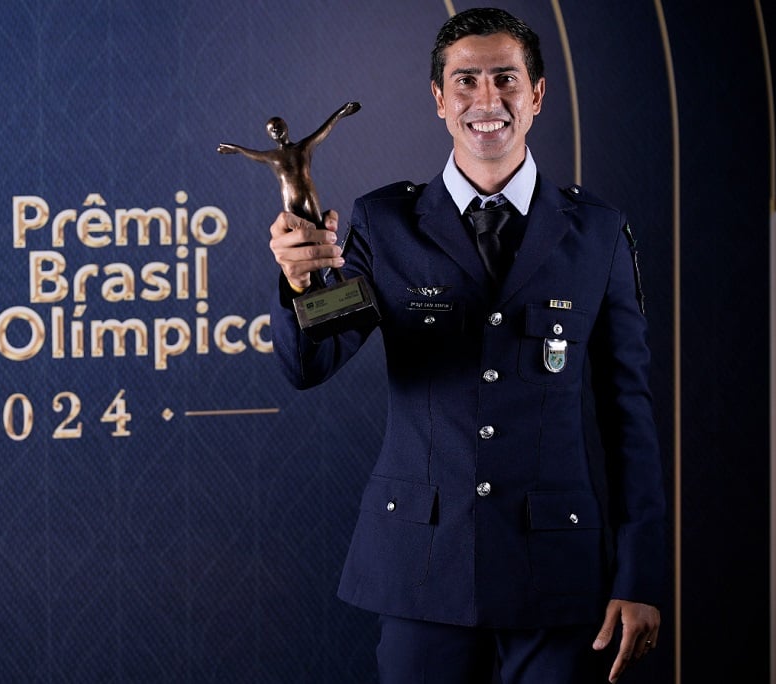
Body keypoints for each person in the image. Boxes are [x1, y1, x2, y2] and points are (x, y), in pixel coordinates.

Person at [266, 8, 666, 683]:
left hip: (555, 575)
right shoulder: (384, 224)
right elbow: (312, 362)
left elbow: (628, 415)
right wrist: (302, 281)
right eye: (466, 81)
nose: (487, 100)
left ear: (537, 95)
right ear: (439, 99)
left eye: (506, 79)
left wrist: (640, 573)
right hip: (422, 567)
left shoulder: (598, 232)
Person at [218, 101, 360, 226]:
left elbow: (324, 129)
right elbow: (251, 153)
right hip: (288, 198)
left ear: (286, 128)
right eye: (271, 129)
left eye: (278, 126)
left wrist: (341, 113)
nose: (275, 129)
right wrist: (236, 149)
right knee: (296, 233)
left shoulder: (303, 147)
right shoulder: (271, 156)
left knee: (317, 228)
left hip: (307, 194)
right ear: (269, 135)